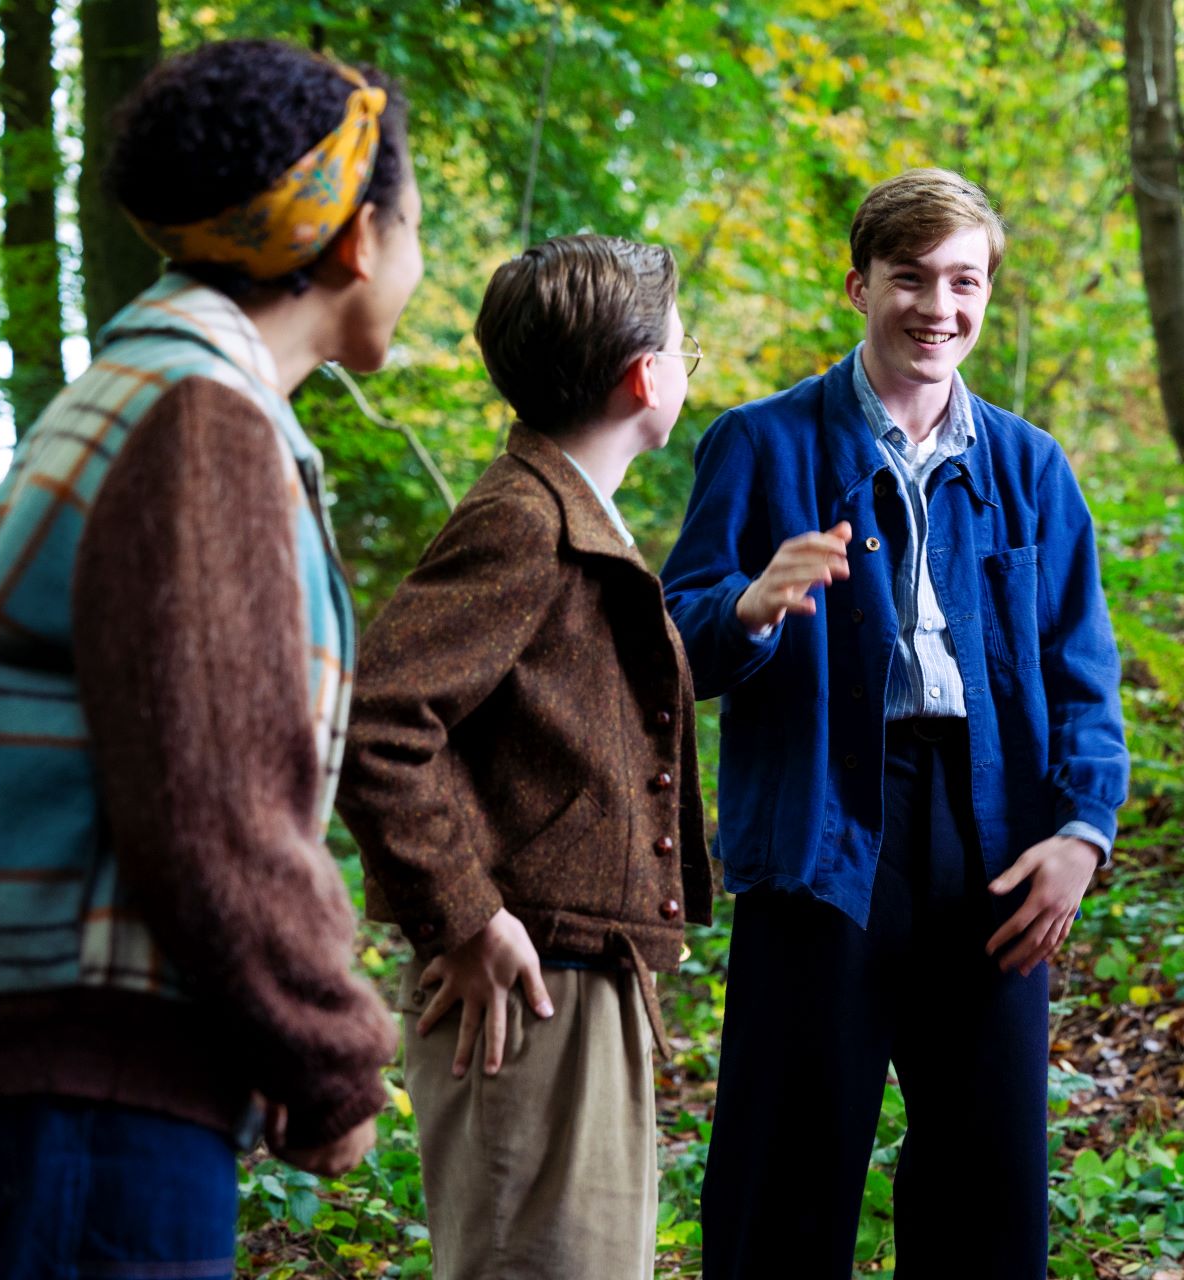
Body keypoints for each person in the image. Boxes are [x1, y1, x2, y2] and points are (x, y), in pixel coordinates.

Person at [0, 39, 420, 1278]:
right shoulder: (198, 419)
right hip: (85, 1102)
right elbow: (216, 802)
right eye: (414, 221)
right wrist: (332, 1059)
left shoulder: (154, 387)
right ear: (359, 239)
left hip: (51, 1085)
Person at [662, 167, 1128, 1277]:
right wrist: (748, 607)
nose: (938, 306)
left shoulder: (1031, 466)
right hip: (820, 829)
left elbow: (1082, 671)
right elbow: (675, 634)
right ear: (858, 285)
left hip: (993, 835)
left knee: (988, 1185)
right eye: (910, 278)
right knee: (786, 1173)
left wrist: (1083, 831)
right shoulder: (761, 443)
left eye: (964, 281)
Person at [337, 234, 711, 1280]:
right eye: (685, 348)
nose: (688, 366)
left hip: (581, 974)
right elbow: (377, 722)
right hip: (526, 983)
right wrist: (463, 913)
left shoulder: (573, 513)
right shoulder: (522, 518)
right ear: (644, 377)